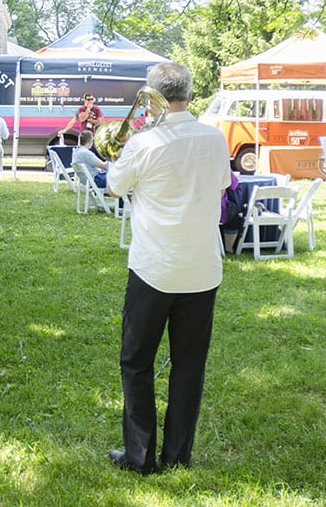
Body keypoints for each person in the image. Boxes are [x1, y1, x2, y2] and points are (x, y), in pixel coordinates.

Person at [105, 62, 231, 474]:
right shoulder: (215, 139)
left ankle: (140, 458)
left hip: (154, 268)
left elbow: (114, 186)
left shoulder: (144, 143)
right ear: (190, 96)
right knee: (189, 366)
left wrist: (132, 145)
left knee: (136, 362)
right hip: (201, 268)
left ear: (152, 96)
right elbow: (220, 187)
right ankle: (178, 456)